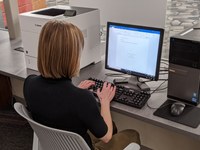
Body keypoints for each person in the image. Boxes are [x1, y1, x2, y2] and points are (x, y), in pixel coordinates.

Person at [23, 20, 140, 150]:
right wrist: (105, 101)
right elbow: (106, 136)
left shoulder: (29, 83)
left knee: (107, 125)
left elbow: (55, 103)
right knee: (132, 135)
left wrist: (75, 91)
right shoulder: (82, 99)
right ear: (71, 57)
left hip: (52, 145)